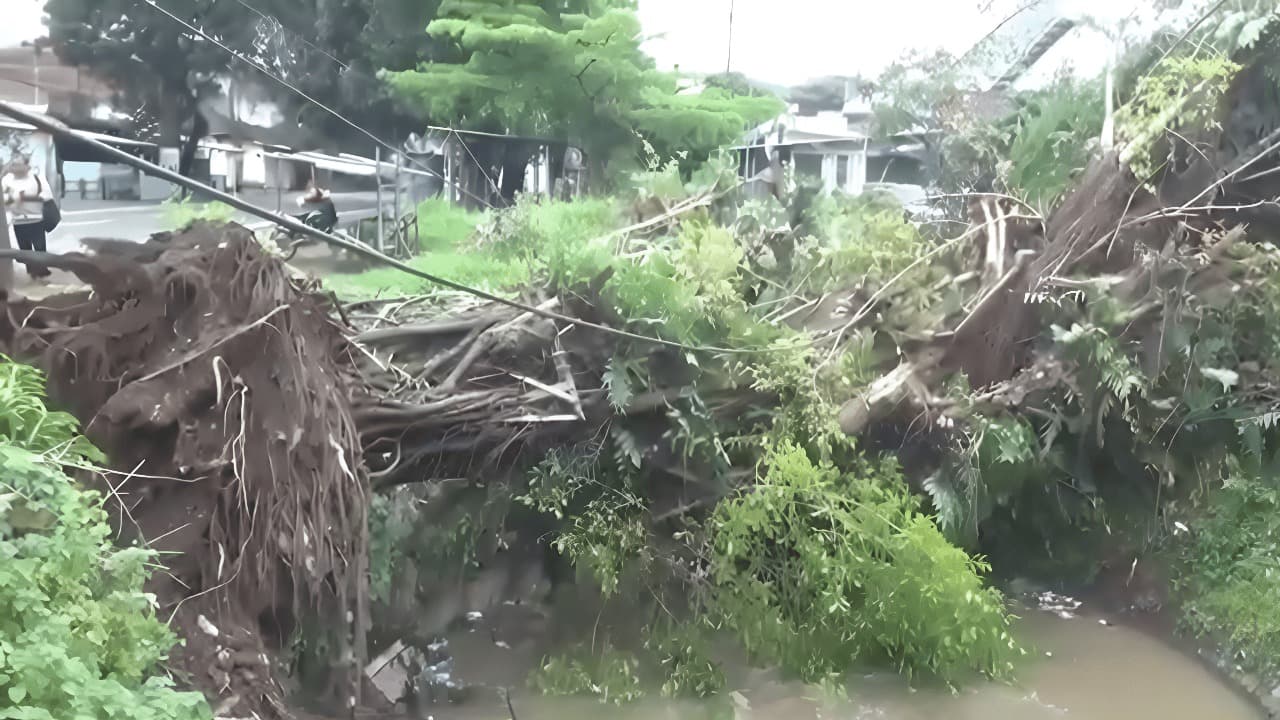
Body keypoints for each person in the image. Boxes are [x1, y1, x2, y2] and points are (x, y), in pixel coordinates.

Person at [2, 156, 52, 281]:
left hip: (36, 219)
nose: (15, 168)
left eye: (18, 164)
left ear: (27, 166)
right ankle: (32, 275)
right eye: (13, 165)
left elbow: (47, 195)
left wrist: (25, 197)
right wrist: (14, 199)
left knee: (40, 250)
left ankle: (42, 274)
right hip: (18, 221)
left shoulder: (37, 178)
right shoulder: (7, 180)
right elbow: (5, 198)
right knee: (25, 251)